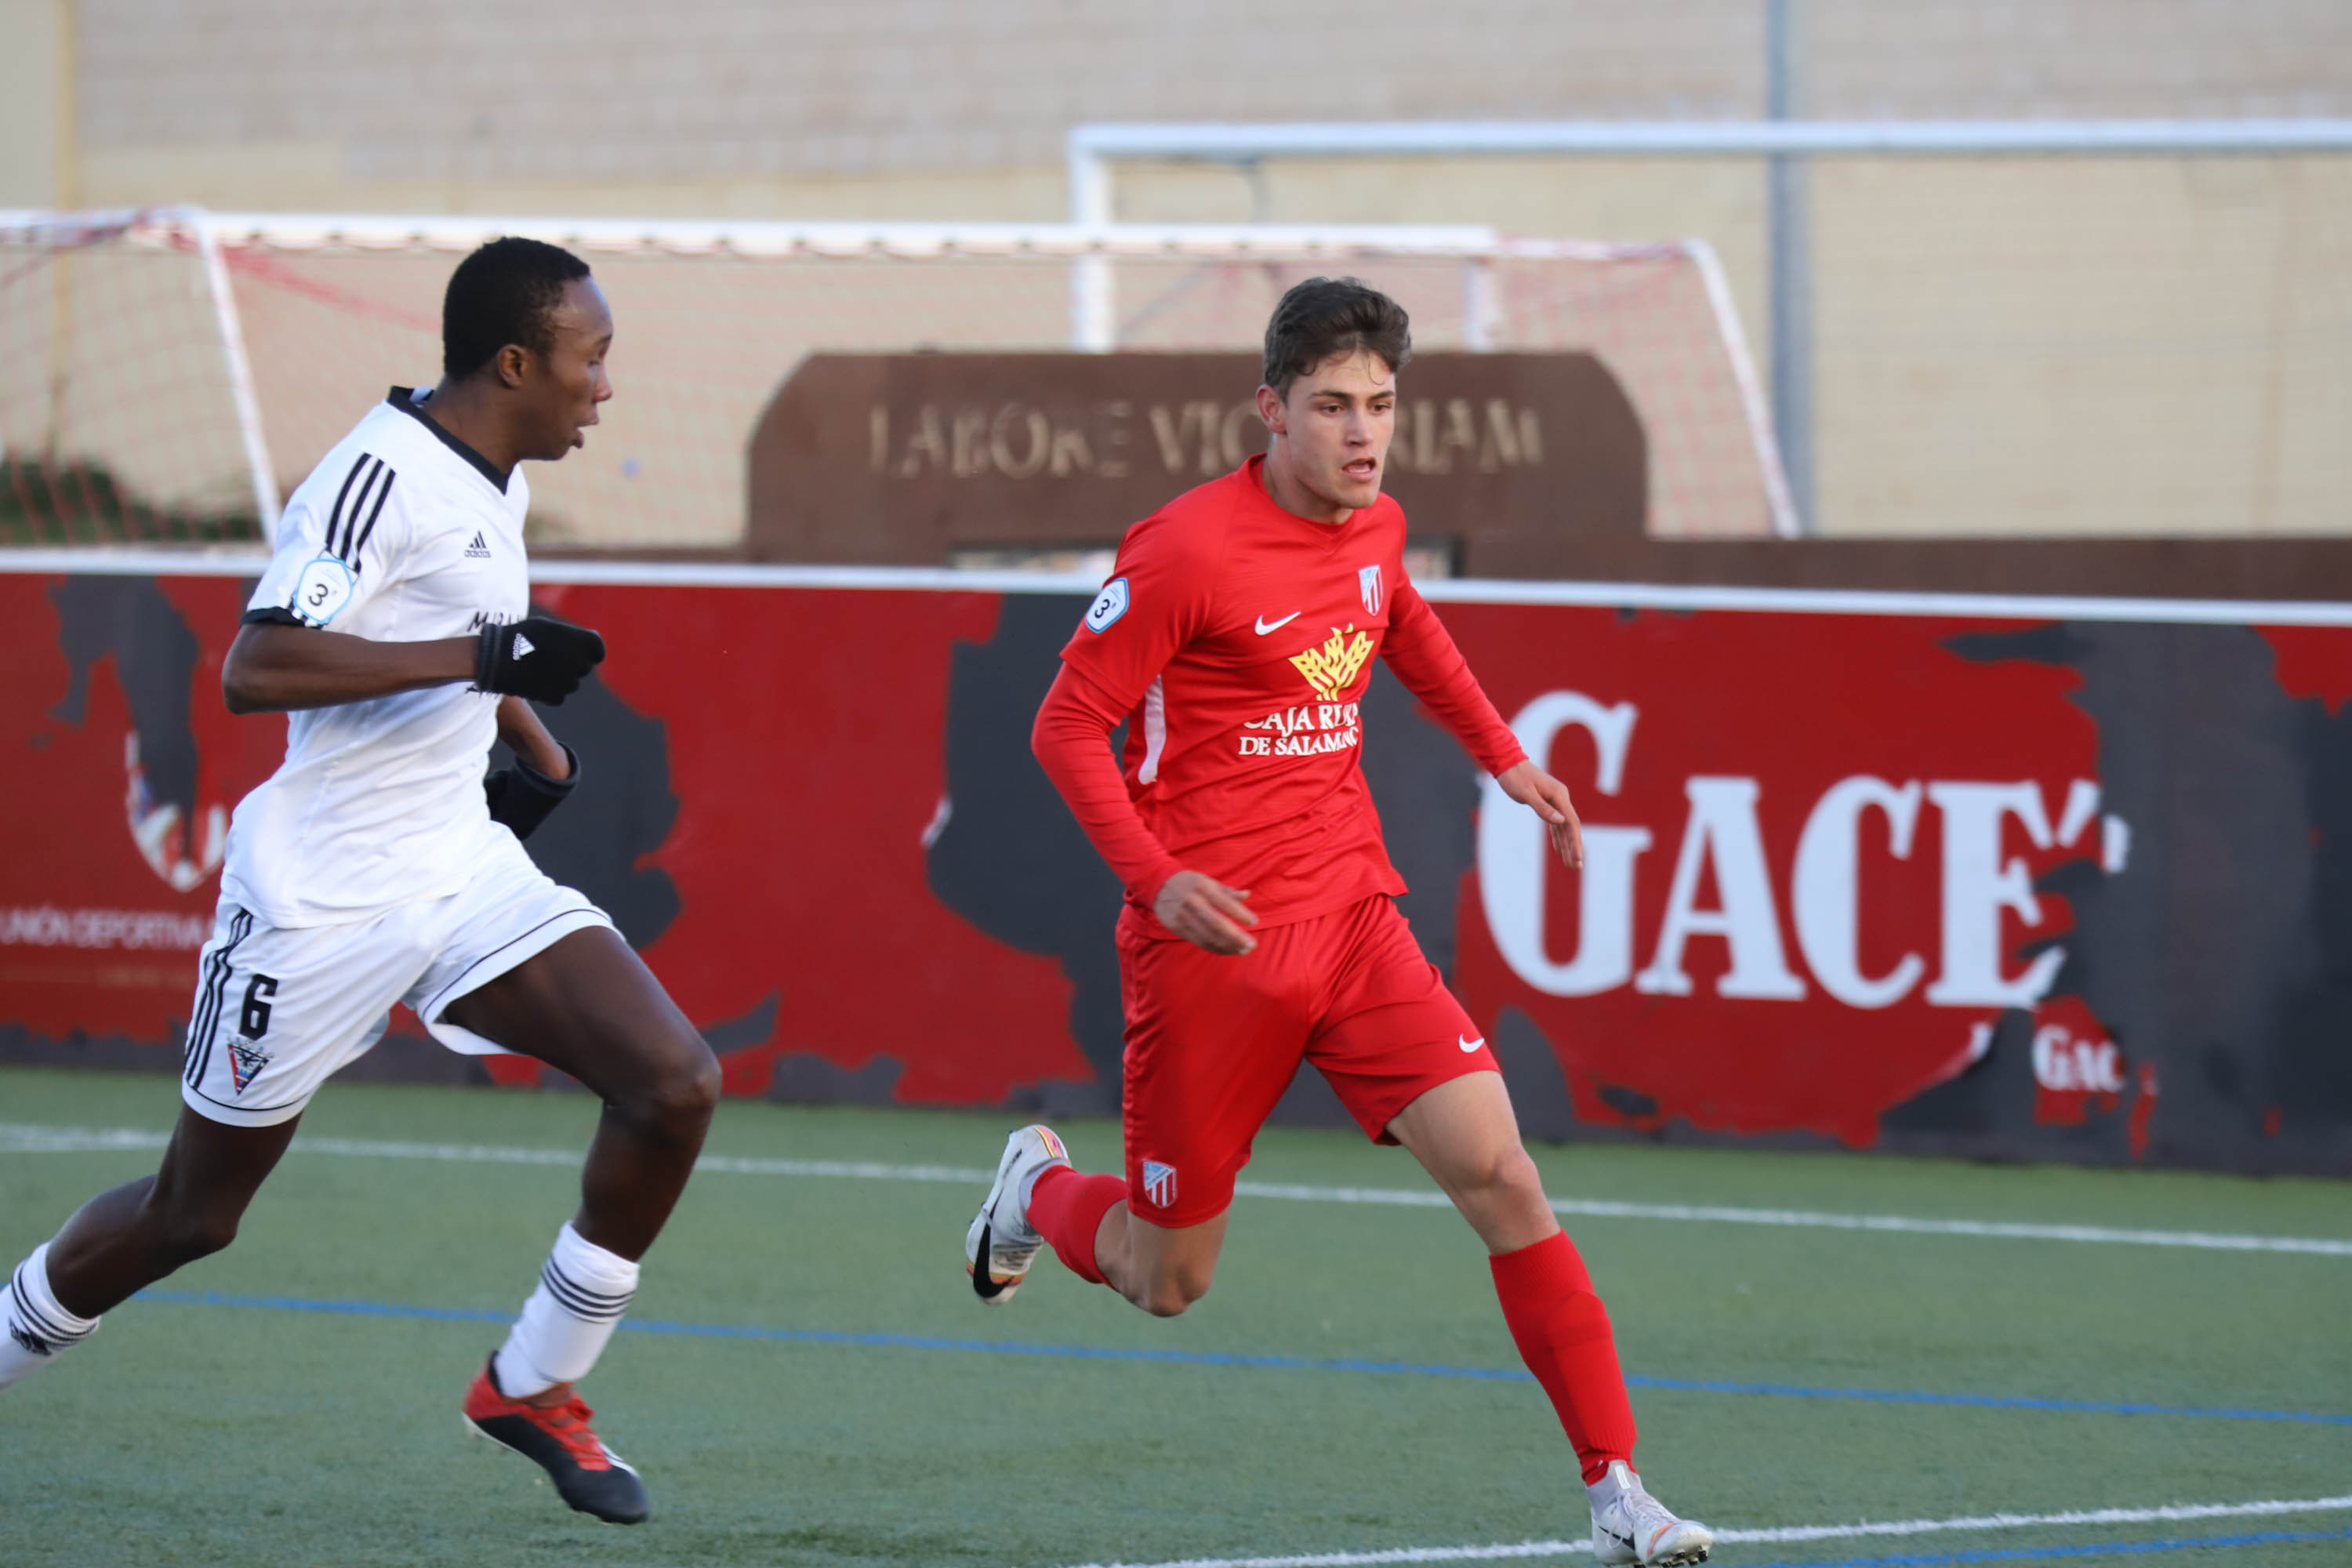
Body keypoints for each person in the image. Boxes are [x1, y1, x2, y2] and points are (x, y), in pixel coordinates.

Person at [967, 278, 1715, 1566]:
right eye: (1332, 407)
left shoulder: (1376, 524)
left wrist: (1501, 752)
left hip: (1357, 919)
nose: (1363, 434)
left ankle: (1620, 1497)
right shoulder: (1185, 551)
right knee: (1167, 1281)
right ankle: (1040, 1189)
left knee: (1504, 1177)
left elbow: (1401, 617)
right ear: (1270, 410)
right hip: (1212, 950)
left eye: (1380, 406)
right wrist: (1156, 879)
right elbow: (1063, 726)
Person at [0, 238, 718, 1527]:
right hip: (316, 904)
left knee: (673, 1083)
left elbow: (455, 648)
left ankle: (533, 1385)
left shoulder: (491, 473)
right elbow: (260, 666)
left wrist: (525, 729)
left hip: (458, 869)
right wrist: (484, 652)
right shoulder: (374, 479)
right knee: (190, 1216)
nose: (604, 387)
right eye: (590, 357)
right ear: (516, 361)